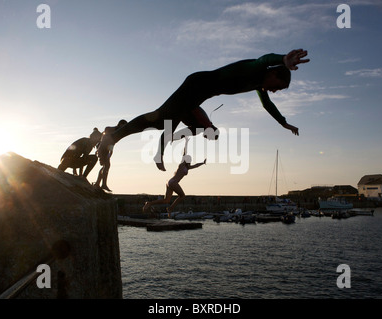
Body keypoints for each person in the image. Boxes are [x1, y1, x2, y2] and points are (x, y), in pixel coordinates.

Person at [98, 49, 309, 171]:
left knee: (203, 130)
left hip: (198, 94)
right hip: (195, 85)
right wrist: (282, 59)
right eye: (278, 87)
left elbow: (267, 105)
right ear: (274, 75)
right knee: (161, 120)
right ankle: (113, 139)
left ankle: (149, 148)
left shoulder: (257, 85)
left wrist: (283, 123)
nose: (275, 91)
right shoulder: (258, 69)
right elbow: (263, 59)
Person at [143, 139, 206, 215]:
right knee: (182, 196)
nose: (190, 161)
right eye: (189, 160)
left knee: (166, 200)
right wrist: (186, 142)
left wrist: (202, 163)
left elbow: (196, 165)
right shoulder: (182, 164)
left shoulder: (187, 167)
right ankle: (170, 208)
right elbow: (185, 152)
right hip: (173, 182)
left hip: (169, 182)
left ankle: (149, 203)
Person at [94, 119, 128, 192]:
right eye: (123, 126)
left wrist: (110, 152)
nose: (124, 128)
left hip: (107, 149)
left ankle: (98, 183)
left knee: (106, 166)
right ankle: (103, 184)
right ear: (120, 124)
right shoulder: (111, 129)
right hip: (102, 148)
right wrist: (99, 149)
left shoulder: (119, 133)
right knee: (106, 166)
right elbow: (105, 135)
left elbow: (113, 143)